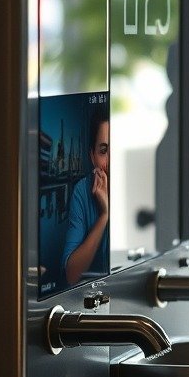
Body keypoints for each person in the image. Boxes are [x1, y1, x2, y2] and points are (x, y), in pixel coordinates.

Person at [62, 107, 110, 287]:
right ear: (92, 156)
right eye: (103, 150)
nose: (111, 160)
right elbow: (71, 274)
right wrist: (104, 215)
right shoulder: (82, 191)